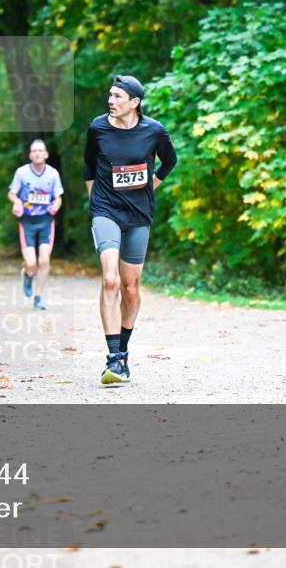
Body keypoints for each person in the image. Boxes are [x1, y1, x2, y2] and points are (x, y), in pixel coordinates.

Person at [83, 75, 177, 384]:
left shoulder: (154, 131)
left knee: (130, 287)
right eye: (109, 95)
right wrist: (95, 202)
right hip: (106, 210)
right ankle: (112, 357)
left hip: (139, 213)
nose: (111, 101)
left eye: (117, 96)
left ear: (134, 102)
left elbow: (169, 161)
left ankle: (123, 353)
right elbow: (88, 165)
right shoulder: (98, 127)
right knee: (110, 280)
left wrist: (153, 184)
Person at [8, 139, 63, 310]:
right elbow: (12, 193)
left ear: (46, 154)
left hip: (46, 221)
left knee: (44, 260)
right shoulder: (22, 173)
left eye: (41, 150)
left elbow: (58, 197)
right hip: (27, 222)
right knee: (31, 262)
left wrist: (56, 205)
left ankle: (38, 297)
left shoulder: (53, 174)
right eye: (34, 151)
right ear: (30, 155)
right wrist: (16, 202)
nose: (38, 153)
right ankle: (28, 274)